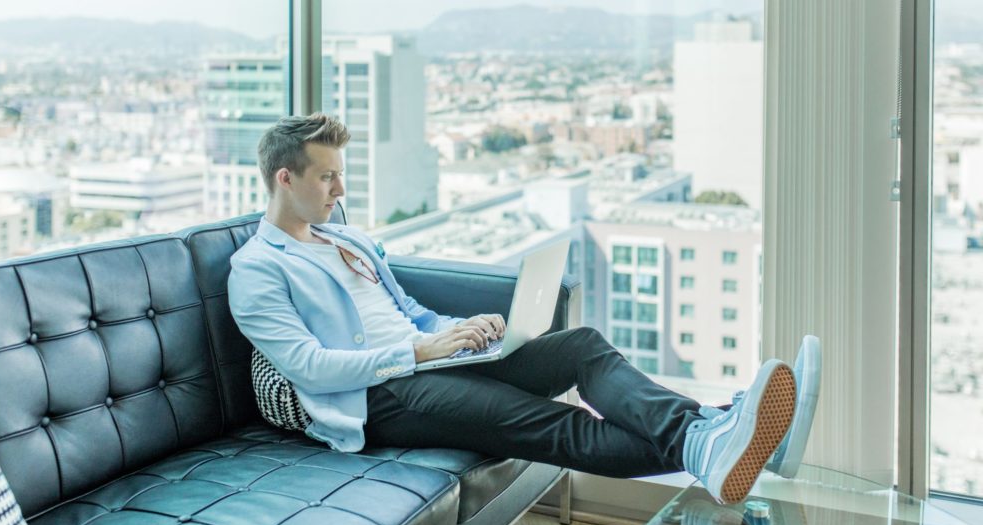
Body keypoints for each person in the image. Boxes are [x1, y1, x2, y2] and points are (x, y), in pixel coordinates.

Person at [227, 114, 817, 505]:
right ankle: (720, 437)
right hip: (377, 397)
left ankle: (718, 437)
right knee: (548, 421)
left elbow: (404, 307)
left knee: (581, 346)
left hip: (431, 362)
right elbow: (309, 367)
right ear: (285, 178)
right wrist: (416, 350)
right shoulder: (257, 269)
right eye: (327, 176)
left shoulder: (346, 239)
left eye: (340, 175)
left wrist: (456, 331)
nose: (339, 190)